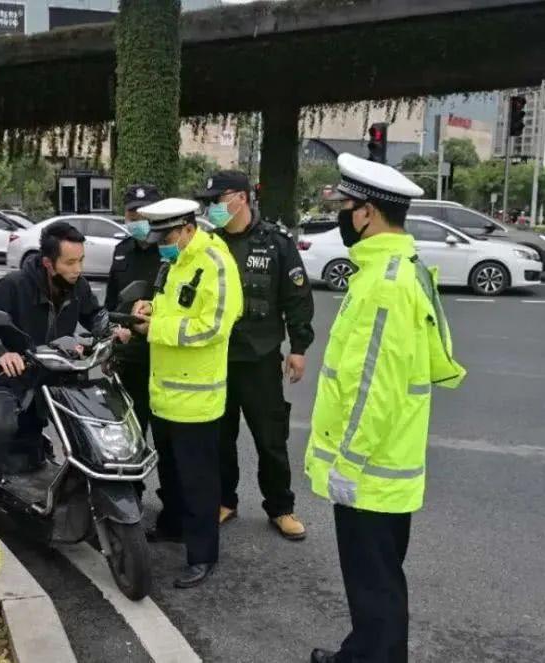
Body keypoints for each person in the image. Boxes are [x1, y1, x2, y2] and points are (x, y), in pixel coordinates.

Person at [306, 154, 466, 663]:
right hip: (387, 461)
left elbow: (373, 390)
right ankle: (362, 654)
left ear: (368, 213)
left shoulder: (384, 285)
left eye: (345, 206)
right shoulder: (401, 270)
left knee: (375, 584)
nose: (341, 216)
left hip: (370, 470)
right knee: (376, 581)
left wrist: (347, 466)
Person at [0, 222, 128, 522]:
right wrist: (1, 352)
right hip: (12, 373)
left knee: (88, 417)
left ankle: (92, 478)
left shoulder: (79, 287)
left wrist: (112, 333)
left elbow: (95, 316)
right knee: (5, 424)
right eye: (70, 262)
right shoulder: (13, 286)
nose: (78, 269)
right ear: (49, 263)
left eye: (81, 260)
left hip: (54, 370)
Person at [195, 170, 315, 541]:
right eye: (210, 202)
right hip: (217, 358)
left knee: (271, 438)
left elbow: (297, 297)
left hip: (260, 358)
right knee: (219, 437)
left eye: (218, 200)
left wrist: (298, 348)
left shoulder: (275, 242)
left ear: (242, 198)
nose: (213, 208)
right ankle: (224, 501)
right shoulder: (208, 244)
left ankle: (281, 508)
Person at [131, 197, 243, 589]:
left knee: (199, 483)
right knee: (172, 474)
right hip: (165, 393)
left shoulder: (216, 263)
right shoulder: (177, 262)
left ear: (185, 230)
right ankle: (172, 526)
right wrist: (151, 310)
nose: (160, 243)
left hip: (196, 399)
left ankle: (202, 556)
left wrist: (154, 330)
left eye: (165, 236)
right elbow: (175, 311)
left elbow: (214, 326)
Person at [105, 183, 164, 435]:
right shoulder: (122, 251)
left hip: (161, 356)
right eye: (132, 216)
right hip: (127, 356)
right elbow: (110, 304)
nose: (137, 220)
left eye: (144, 216)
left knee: (165, 439)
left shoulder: (170, 251)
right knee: (130, 434)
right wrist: (111, 341)